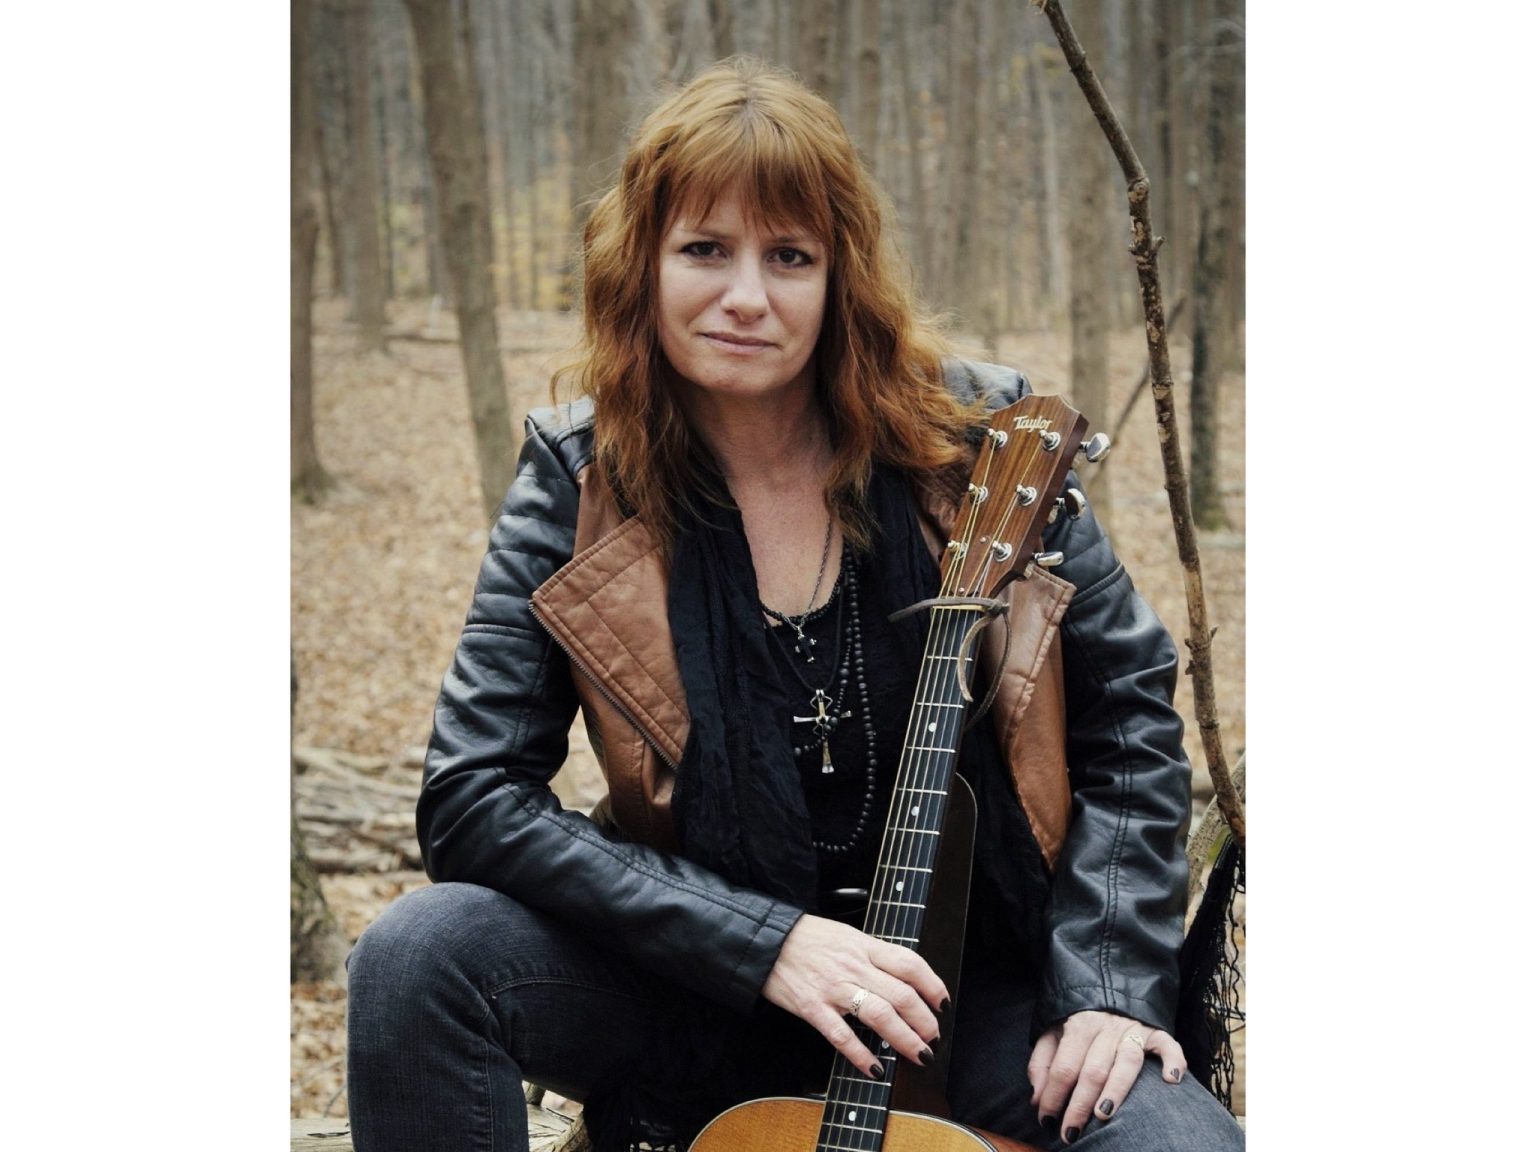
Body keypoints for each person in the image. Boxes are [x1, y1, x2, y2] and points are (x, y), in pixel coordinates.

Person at [346, 57, 1243, 1152]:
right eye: (704, 250)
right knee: (419, 957)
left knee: (1173, 1142)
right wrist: (762, 941)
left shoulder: (982, 444)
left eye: (789, 256)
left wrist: (1104, 983)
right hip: (700, 992)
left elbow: (1129, 714)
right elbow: (472, 795)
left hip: (974, 1000)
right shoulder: (582, 479)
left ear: (841, 277)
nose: (746, 296)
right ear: (642, 264)